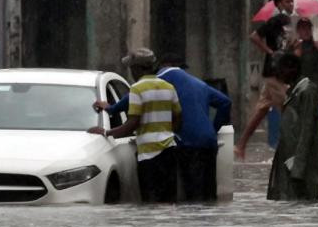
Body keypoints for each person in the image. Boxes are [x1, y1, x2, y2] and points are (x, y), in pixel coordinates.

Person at [97, 53, 232, 202]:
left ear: (161, 66)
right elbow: (225, 102)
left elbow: (130, 104)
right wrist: (213, 130)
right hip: (209, 144)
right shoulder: (198, 83)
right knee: (208, 196)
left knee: (190, 197)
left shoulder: (160, 81)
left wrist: (111, 110)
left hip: (185, 146)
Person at [87, 49, 182, 203]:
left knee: (150, 203)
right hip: (169, 151)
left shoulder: (137, 89)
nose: (130, 72)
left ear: (137, 69)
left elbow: (132, 124)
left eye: (131, 68)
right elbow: (178, 116)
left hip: (149, 155)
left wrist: (106, 132)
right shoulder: (168, 87)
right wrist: (166, 132)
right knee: (169, 201)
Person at [236, 0, 296, 160]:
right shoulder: (275, 20)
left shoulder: (287, 23)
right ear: (279, 4)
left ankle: (241, 145)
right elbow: (254, 36)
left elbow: (285, 46)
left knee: (261, 111)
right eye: (287, 1)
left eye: (292, 1)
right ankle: (288, 151)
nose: (291, 4)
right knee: (289, 109)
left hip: (282, 71)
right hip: (274, 73)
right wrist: (270, 52)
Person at [267, 54, 318, 202]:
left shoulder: (307, 92)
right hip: (289, 164)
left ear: (292, 69)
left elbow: (307, 130)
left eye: (281, 70)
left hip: (301, 170)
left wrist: (297, 168)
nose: (278, 74)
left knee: (302, 205)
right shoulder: (295, 92)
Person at [291, 17, 318, 100]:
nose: (307, 31)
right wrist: (295, 57)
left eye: (309, 28)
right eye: (303, 28)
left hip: (317, 89)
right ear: (298, 31)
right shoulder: (294, 47)